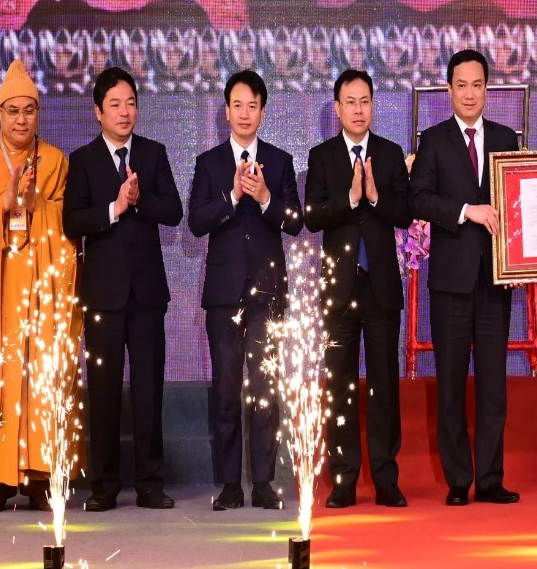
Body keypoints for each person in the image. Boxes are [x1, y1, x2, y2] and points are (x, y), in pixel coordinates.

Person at [0, 59, 81, 513]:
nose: (21, 119)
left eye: (29, 110)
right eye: (13, 111)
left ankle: (41, 477)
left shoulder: (57, 162)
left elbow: (68, 223)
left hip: (42, 286)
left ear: (38, 114)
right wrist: (4, 203)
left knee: (42, 377)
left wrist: (35, 203)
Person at [62, 67, 184, 511]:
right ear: (98, 111)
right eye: (114, 104)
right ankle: (104, 486)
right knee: (104, 391)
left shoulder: (153, 154)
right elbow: (72, 221)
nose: (124, 111)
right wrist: (114, 208)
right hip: (103, 296)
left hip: (148, 295)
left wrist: (139, 200)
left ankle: (151, 483)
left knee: (150, 390)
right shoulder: (84, 160)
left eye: (130, 102)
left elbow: (173, 211)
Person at [408, 49, 520, 507]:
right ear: (449, 90)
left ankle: (491, 479)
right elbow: (419, 200)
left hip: (494, 279)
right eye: (462, 85)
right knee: (451, 384)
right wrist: (465, 211)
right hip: (451, 282)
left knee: (493, 385)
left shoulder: (506, 139)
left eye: (477, 85)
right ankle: (458, 481)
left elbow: (518, 203)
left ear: (487, 90)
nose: (470, 93)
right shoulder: (433, 141)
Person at [188, 69, 303, 511]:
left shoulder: (279, 160)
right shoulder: (209, 163)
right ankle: (230, 486)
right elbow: (196, 223)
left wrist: (267, 198)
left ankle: (264, 484)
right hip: (223, 296)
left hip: (268, 294)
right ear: (226, 111)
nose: (243, 113)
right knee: (226, 391)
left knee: (266, 390)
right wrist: (234, 196)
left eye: (252, 105)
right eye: (236, 105)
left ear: (263, 112)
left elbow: (296, 221)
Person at [305, 69, 411, 509]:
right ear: (337, 108)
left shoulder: (389, 153)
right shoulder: (322, 155)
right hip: (339, 291)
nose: (358, 109)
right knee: (342, 385)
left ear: (373, 105)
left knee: (384, 386)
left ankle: (387, 479)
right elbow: (312, 216)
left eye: (365, 100)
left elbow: (404, 213)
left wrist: (374, 196)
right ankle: (344, 480)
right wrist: (350, 200)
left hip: (381, 289)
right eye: (350, 101)